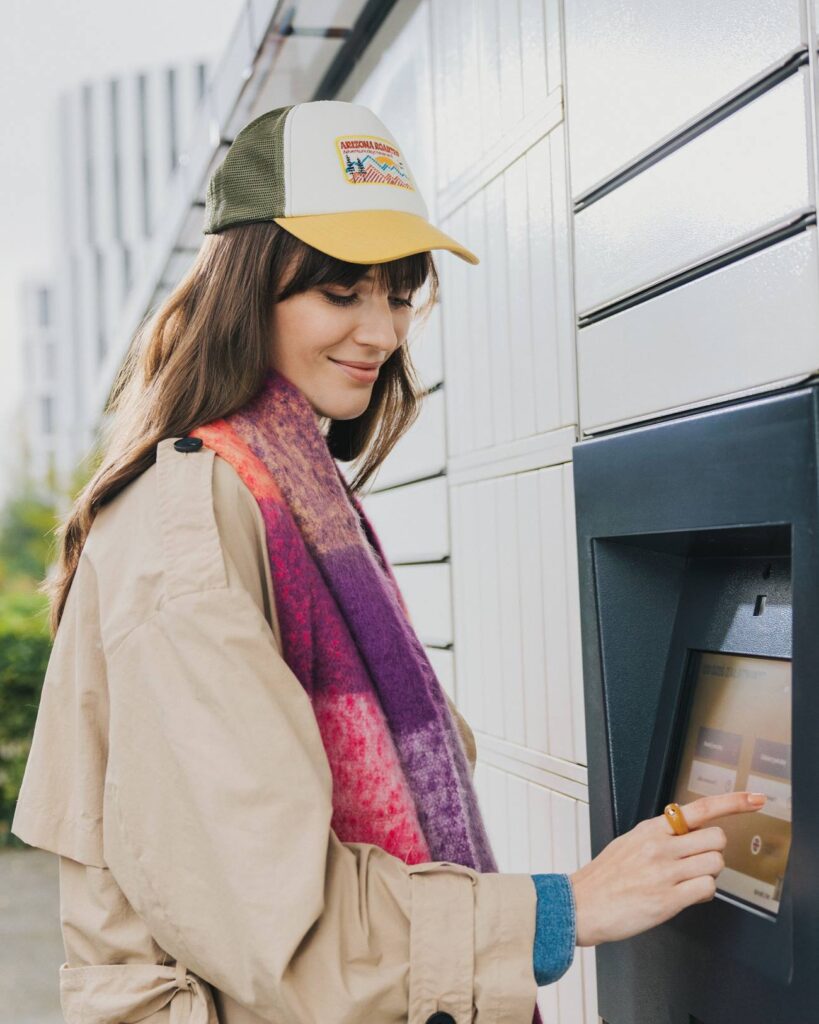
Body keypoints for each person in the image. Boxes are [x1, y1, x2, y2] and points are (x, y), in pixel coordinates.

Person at [11, 100, 766, 1024]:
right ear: (246, 288)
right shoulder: (194, 519)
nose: (382, 331)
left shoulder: (293, 496)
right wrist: (568, 907)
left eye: (399, 290)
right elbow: (276, 920)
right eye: (340, 290)